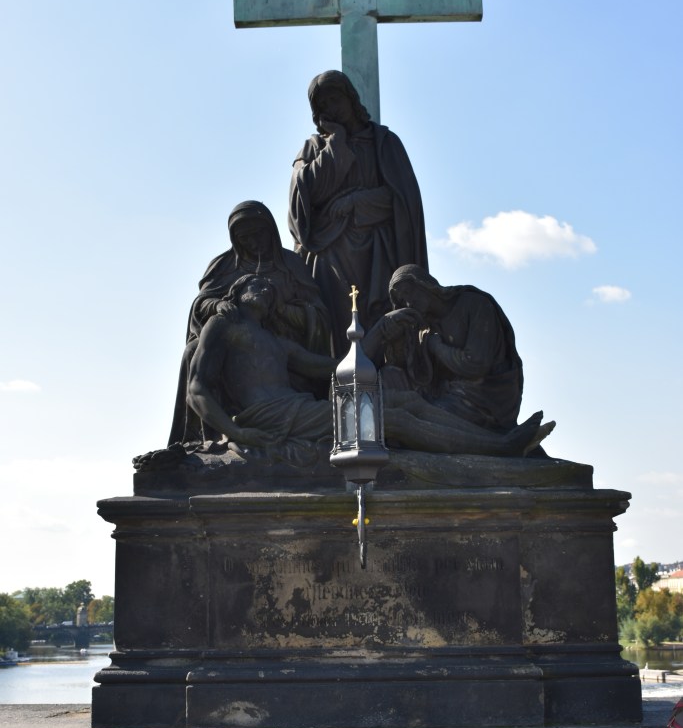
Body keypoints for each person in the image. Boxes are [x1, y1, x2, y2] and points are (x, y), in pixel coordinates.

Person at [187, 274, 553, 458]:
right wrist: (238, 433)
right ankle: (501, 448)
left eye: (270, 286)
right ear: (236, 292)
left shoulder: (278, 343)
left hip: (297, 410)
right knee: (391, 420)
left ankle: (498, 440)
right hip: (269, 417)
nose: (266, 288)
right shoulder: (224, 325)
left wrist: (379, 331)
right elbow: (197, 389)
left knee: (406, 400)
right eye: (256, 283)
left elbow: (339, 368)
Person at [289, 70, 428, 356]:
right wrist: (336, 143)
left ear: (350, 98)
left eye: (335, 99)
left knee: (380, 325)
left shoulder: (383, 143)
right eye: (323, 104)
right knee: (335, 331)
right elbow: (301, 204)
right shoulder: (313, 148)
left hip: (378, 254)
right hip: (330, 257)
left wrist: (357, 201)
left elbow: (404, 201)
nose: (331, 108)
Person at [168, 201, 330, 445]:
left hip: (283, 343)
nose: (254, 243)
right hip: (236, 344)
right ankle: (207, 435)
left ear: (270, 231)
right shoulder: (223, 266)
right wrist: (217, 305)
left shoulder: (291, 264)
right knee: (194, 351)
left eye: (259, 234)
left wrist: (282, 311)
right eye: (245, 238)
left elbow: (318, 314)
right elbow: (201, 303)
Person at [366, 265, 524, 433]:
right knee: (390, 377)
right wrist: (387, 331)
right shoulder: (424, 327)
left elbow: (476, 365)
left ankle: (498, 441)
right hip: (448, 394)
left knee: (415, 416)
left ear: (424, 284)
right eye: (403, 300)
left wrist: (437, 347)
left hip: (485, 398)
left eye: (409, 292)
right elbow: (418, 375)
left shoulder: (475, 304)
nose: (409, 303)